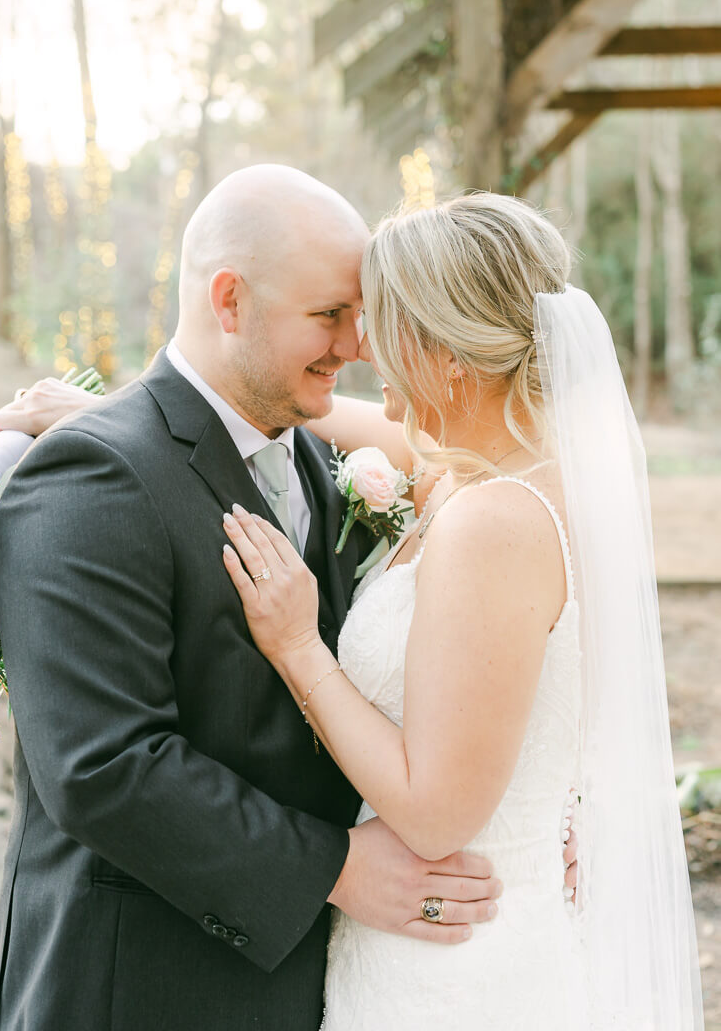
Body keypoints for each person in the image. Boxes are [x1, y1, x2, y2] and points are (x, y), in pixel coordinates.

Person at [0, 166, 510, 1031]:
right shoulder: (91, 473)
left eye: (359, 317)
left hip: (307, 982)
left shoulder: (325, 465)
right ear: (229, 301)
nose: (357, 347)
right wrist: (338, 869)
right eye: (330, 316)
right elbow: (102, 767)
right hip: (139, 988)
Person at [220, 193, 705, 1029]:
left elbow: (437, 812)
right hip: (471, 937)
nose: (361, 347)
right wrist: (135, 419)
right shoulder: (494, 471)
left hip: (455, 976)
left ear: (448, 357)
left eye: (383, 325)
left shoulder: (493, 522)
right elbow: (328, 420)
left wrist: (300, 646)